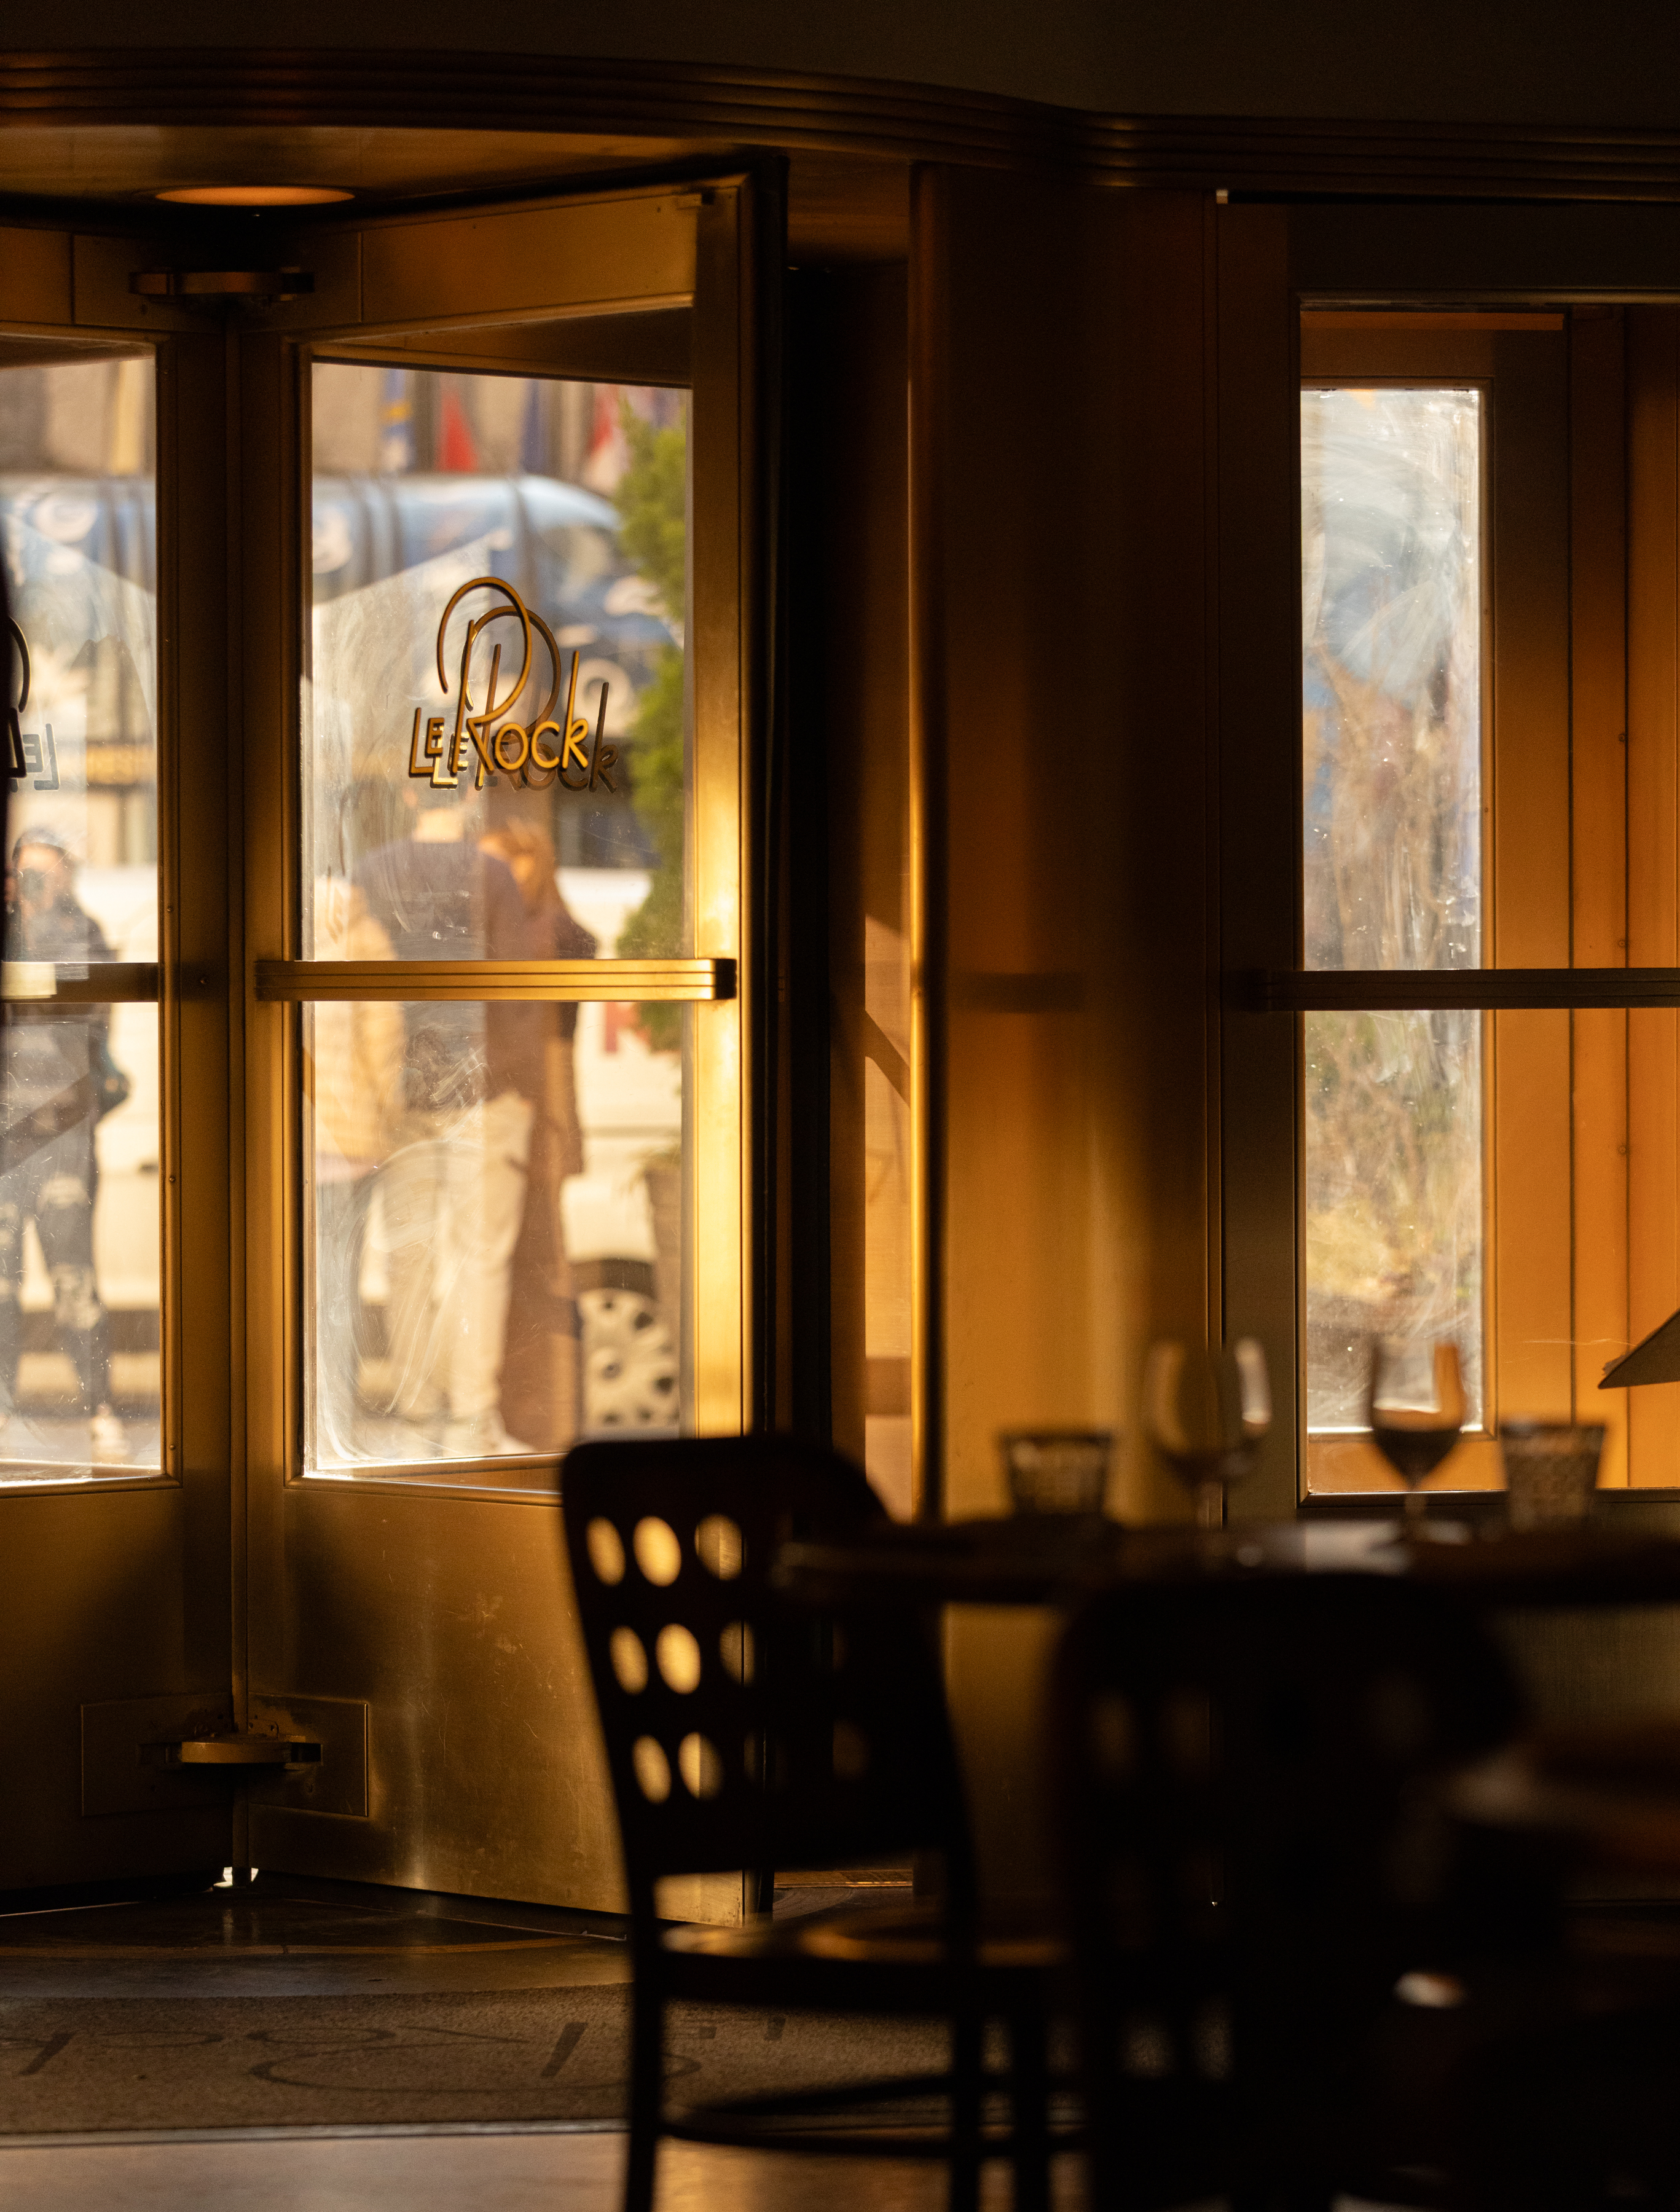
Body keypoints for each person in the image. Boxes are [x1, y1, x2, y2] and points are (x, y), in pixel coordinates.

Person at [352, 791, 533, 1458]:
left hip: (398, 1091)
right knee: (477, 1258)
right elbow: (519, 990)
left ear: (404, 795)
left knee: (408, 1257)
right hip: (479, 1090)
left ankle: (416, 1410)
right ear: (471, 796)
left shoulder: (371, 870)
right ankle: (470, 1417)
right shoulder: (491, 876)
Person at [0, 830, 127, 1459]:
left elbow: (91, 1015)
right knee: (0, 1283)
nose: (35, 890)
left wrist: (47, 923)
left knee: (75, 1279)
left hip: (60, 1140)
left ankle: (99, 1403)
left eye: (45, 877)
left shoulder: (85, 933)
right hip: (5, 1139)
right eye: (27, 877)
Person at [307, 877, 403, 1462]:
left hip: (282, 1140)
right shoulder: (364, 936)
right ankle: (331, 1420)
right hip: (348, 1146)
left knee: (280, 1281)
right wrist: (387, 1122)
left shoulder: (276, 921)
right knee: (338, 1286)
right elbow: (384, 1041)